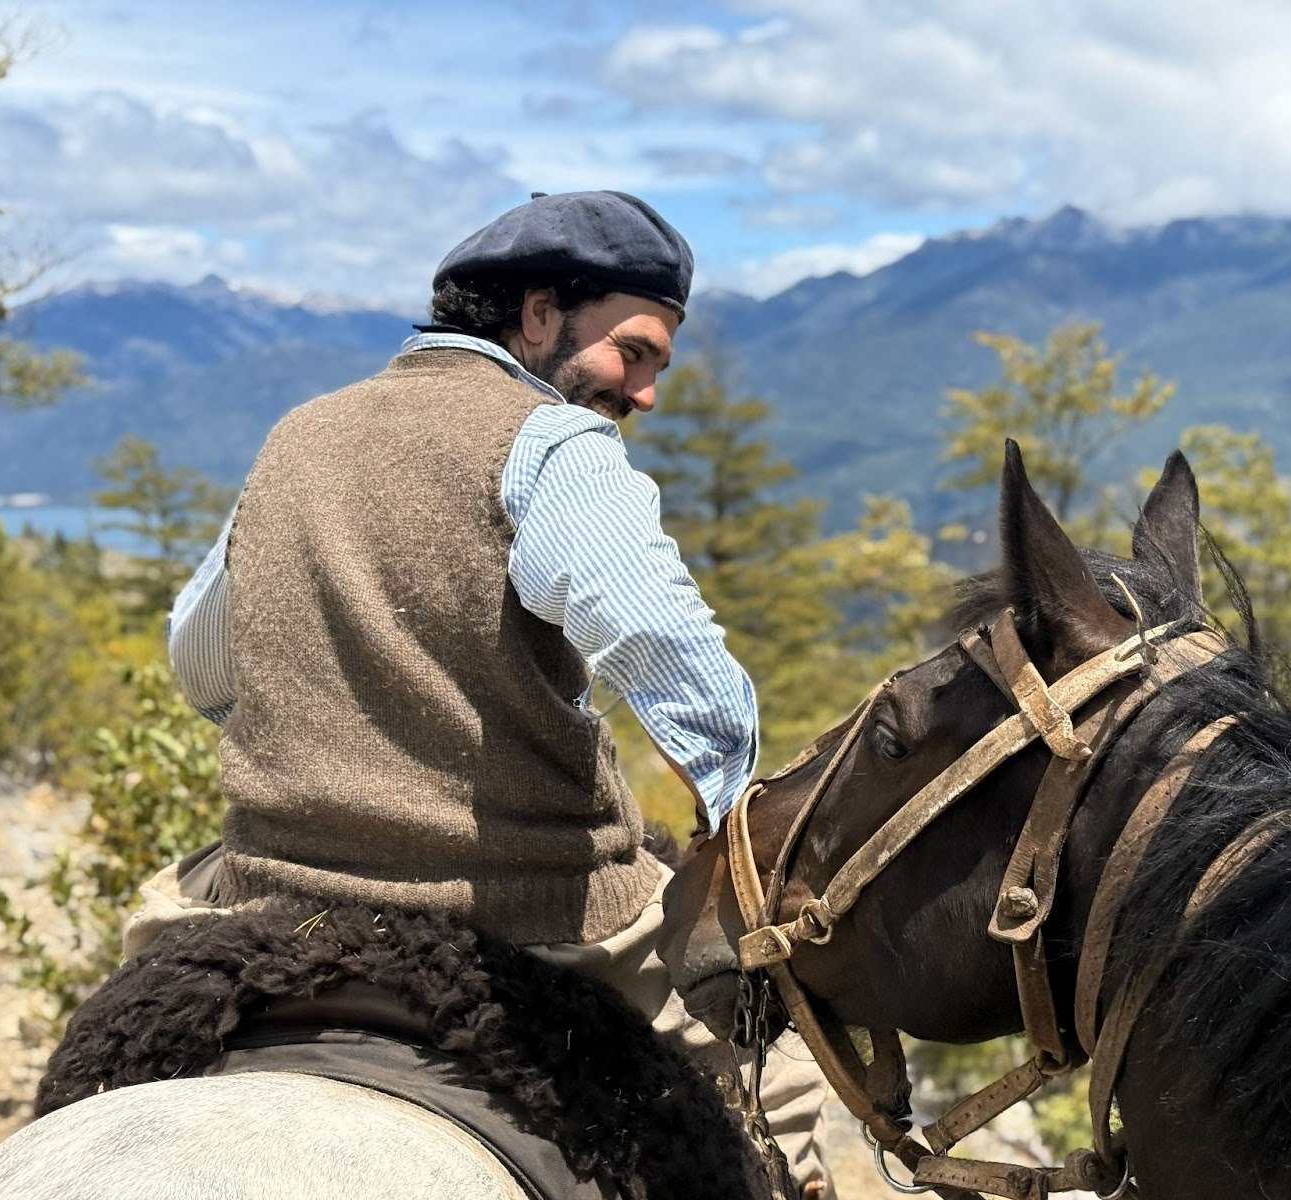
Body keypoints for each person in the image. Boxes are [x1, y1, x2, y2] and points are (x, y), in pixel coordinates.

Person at [131, 191, 832, 1194]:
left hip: (270, 891)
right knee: (778, 1069)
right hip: (534, 909)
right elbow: (663, 651)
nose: (644, 395)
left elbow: (200, 660)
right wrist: (740, 821)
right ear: (540, 312)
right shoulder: (551, 448)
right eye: (634, 353)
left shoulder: (299, 437)